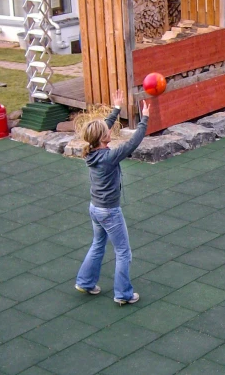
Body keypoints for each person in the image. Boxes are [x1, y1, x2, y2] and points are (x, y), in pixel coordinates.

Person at [75, 90, 149, 305]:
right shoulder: (109, 157)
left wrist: (117, 109)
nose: (110, 130)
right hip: (109, 211)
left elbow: (100, 129)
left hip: (95, 208)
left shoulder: (91, 151)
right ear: (102, 137)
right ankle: (123, 294)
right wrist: (144, 118)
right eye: (107, 130)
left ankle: (85, 282)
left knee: (98, 243)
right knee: (123, 252)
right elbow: (133, 142)